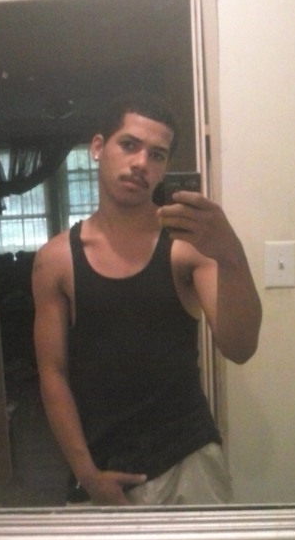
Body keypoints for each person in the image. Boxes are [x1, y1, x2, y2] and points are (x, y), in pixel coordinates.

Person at [31, 93, 262, 506]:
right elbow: (53, 374)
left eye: (157, 155)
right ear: (98, 147)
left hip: (187, 460)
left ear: (165, 168)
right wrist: (86, 474)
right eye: (129, 145)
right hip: (100, 467)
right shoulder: (56, 260)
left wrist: (231, 254)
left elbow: (240, 347)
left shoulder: (186, 248)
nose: (141, 163)